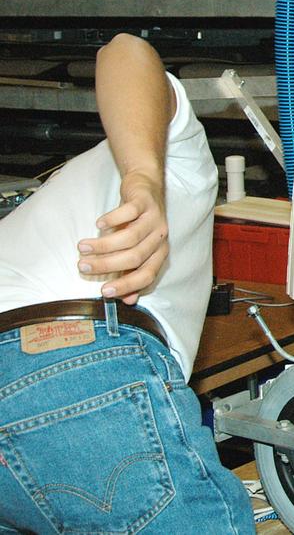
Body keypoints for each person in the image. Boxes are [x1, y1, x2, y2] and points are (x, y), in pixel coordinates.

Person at [0, 34, 254, 533]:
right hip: (68, 361)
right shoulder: (166, 158)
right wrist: (143, 178)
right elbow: (125, 51)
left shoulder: (63, 189)